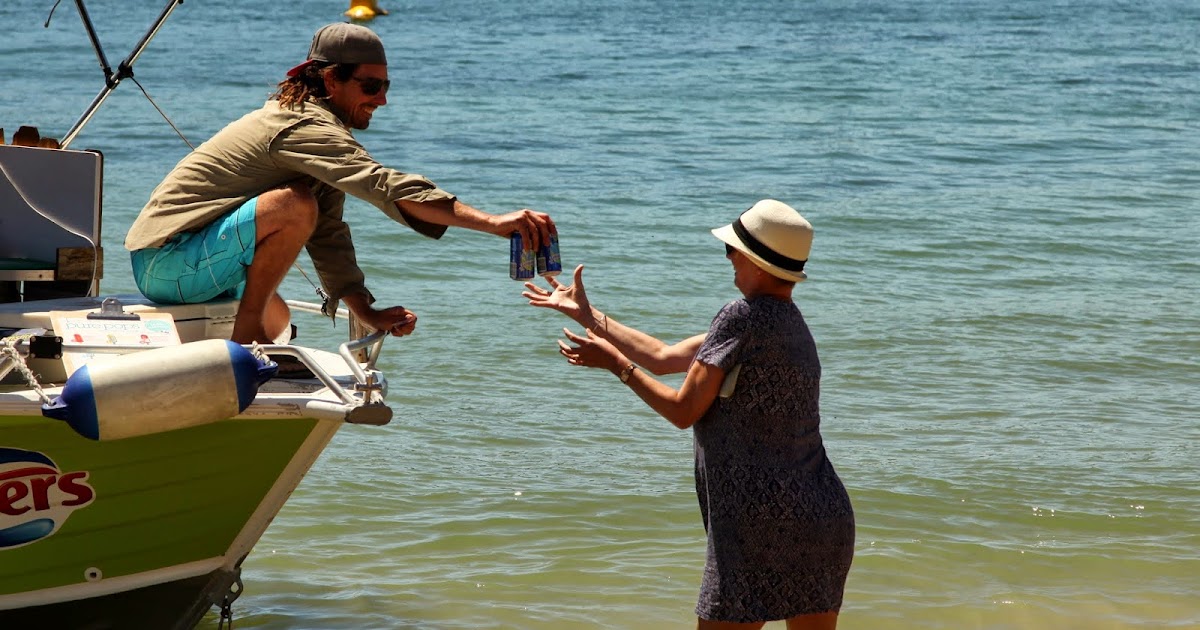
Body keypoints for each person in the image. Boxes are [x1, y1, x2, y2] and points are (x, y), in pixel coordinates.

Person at [522, 200, 854, 630]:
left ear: (754, 261)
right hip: (822, 518)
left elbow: (682, 410)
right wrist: (588, 315)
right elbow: (662, 356)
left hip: (757, 524)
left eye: (732, 250)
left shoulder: (740, 316)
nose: (729, 259)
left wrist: (617, 367)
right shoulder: (790, 322)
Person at [125, 22, 555, 347]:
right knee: (294, 204)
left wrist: (365, 309)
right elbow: (382, 184)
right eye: (370, 85)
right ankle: (244, 344)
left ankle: (255, 331)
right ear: (331, 79)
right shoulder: (303, 127)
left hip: (189, 267)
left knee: (283, 318)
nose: (382, 98)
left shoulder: (315, 129)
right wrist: (495, 223)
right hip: (166, 262)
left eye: (385, 85)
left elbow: (327, 231)